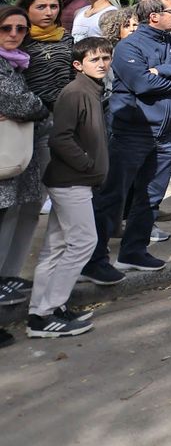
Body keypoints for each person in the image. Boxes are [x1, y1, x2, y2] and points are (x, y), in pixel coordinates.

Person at [82, 0, 171, 284]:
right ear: (154, 16)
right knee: (113, 196)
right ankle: (93, 261)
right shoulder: (129, 46)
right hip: (133, 131)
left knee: (151, 196)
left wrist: (164, 70)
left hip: (165, 132)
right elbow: (142, 83)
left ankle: (133, 251)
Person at [26, 37, 113, 338]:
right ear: (78, 64)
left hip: (74, 180)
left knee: (56, 247)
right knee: (83, 242)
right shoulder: (76, 92)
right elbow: (60, 138)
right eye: (94, 59)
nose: (102, 64)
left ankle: (41, 312)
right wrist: (88, 165)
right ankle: (48, 311)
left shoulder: (91, 89)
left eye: (106, 58)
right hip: (71, 180)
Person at [0, 5, 50, 320]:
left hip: (15, 155)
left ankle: (5, 277)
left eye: (20, 29)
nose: (14, 34)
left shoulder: (16, 62)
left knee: (12, 217)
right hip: (6, 157)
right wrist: (37, 107)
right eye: (6, 28)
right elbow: (25, 104)